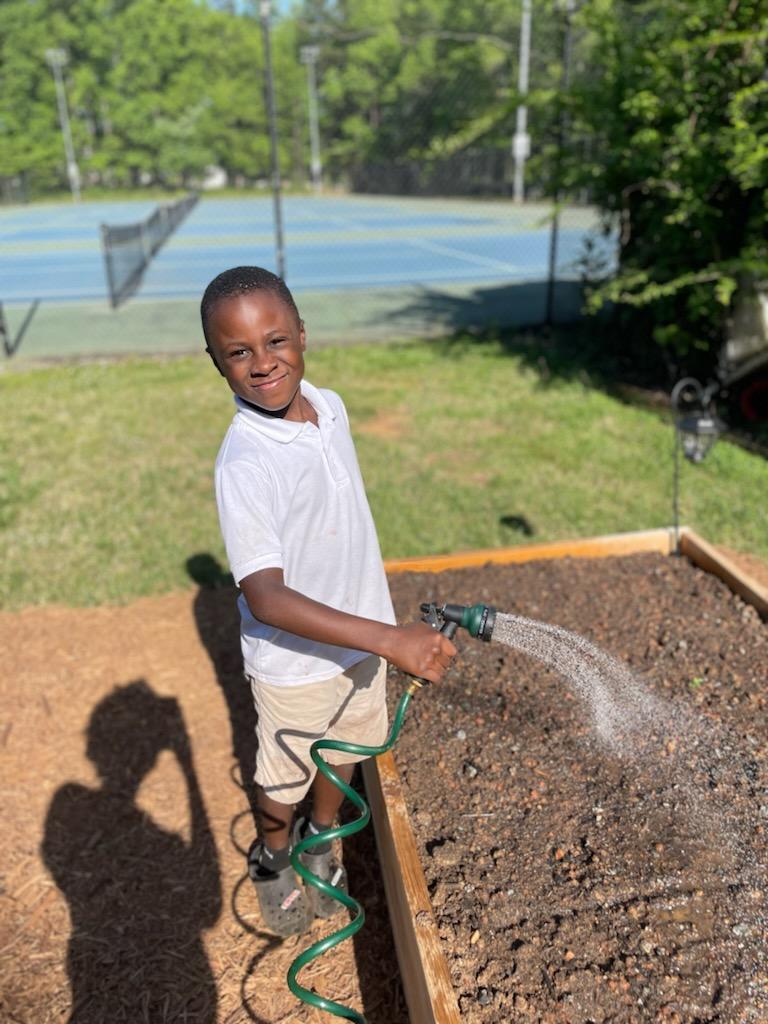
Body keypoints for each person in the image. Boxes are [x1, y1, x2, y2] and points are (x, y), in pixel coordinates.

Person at [201, 266, 456, 937]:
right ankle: (276, 857)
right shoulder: (245, 462)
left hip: (362, 638)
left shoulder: (330, 405)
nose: (263, 363)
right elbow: (267, 597)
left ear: (303, 335)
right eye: (238, 352)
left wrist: (375, 635)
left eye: (276, 341)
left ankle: (322, 837)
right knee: (283, 778)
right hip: (296, 666)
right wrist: (389, 639)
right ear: (216, 362)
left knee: (342, 750)